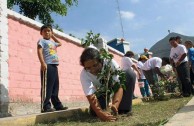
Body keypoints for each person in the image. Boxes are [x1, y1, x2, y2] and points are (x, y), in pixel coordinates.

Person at [80, 48, 123, 122]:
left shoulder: (110, 63)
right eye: (88, 68)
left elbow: (119, 85)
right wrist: (100, 113)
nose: (92, 70)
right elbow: (90, 95)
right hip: (102, 93)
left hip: (115, 89)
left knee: (130, 74)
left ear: (101, 61)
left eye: (95, 65)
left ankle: (120, 106)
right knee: (94, 112)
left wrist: (115, 105)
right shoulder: (84, 74)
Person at [37, 24, 68, 113]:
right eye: (45, 31)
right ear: (41, 33)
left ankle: (57, 105)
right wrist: (42, 63)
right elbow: (39, 51)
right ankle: (45, 106)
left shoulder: (53, 42)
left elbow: (60, 43)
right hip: (47, 65)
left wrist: (53, 35)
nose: (47, 32)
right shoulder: (41, 41)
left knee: (55, 87)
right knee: (47, 87)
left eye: (49, 31)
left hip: (54, 66)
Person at [119, 51, 138, 115]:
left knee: (124, 91)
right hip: (129, 73)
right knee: (129, 91)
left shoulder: (122, 59)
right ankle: (127, 108)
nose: (132, 57)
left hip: (123, 74)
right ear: (130, 55)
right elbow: (133, 65)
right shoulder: (128, 58)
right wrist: (138, 72)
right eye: (132, 56)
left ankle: (122, 108)